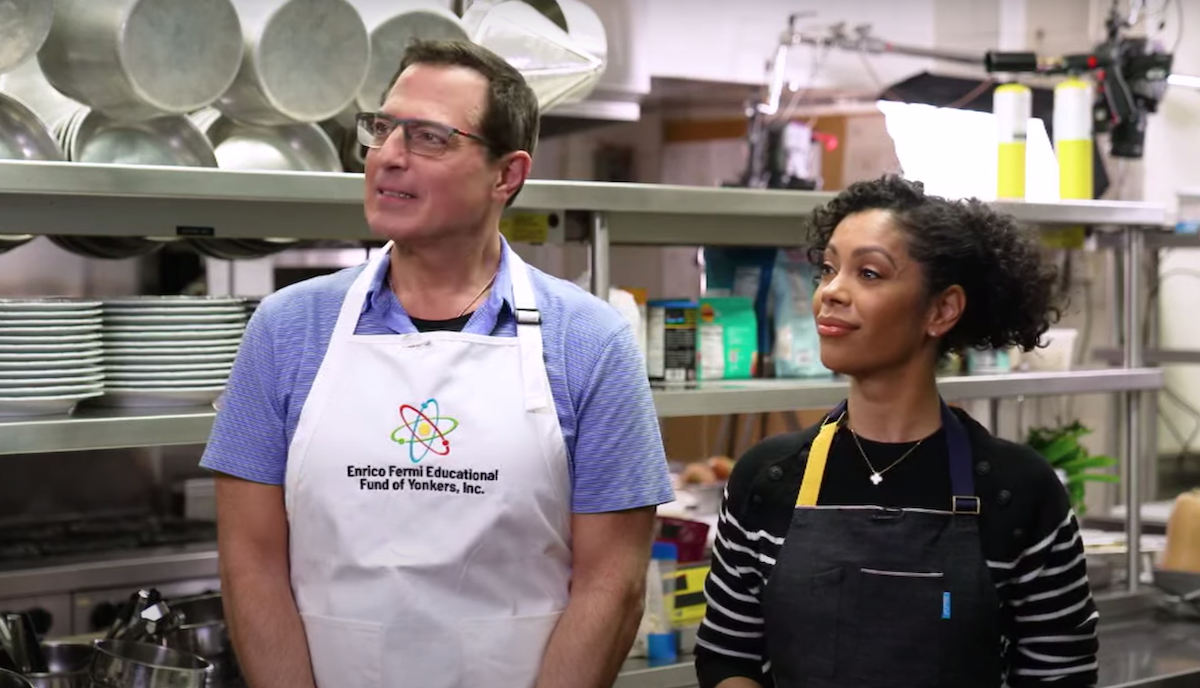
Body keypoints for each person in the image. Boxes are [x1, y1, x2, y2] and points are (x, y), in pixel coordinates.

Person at [201, 39, 674, 688]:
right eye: (382, 128)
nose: (389, 156)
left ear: (505, 175)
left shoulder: (589, 343)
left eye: (428, 137)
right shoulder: (286, 330)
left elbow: (612, 584)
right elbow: (249, 563)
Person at [695, 175, 1100, 688]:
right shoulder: (767, 481)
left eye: (868, 273)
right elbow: (728, 657)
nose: (831, 292)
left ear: (941, 310)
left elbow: (1061, 675)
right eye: (828, 268)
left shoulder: (1016, 493)